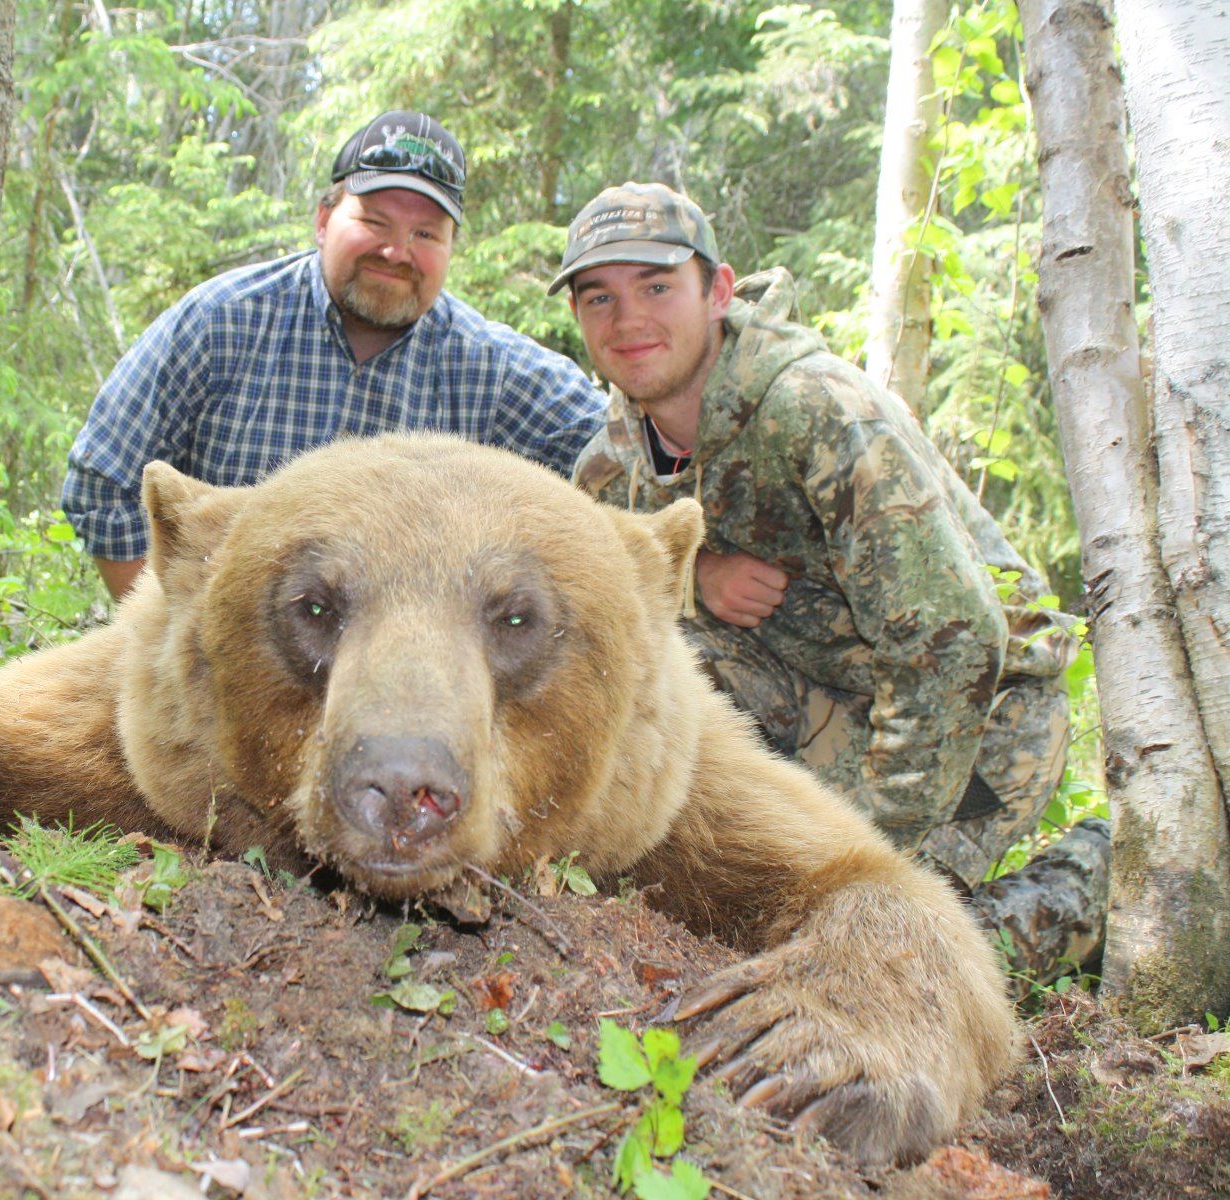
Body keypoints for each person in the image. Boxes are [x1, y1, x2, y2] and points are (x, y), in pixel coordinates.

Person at [553, 181, 1107, 985]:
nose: (628, 319)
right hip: (817, 693)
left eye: (657, 287)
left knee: (887, 955)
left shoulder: (818, 409)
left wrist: (855, 858)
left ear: (719, 291)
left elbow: (952, 646)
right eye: (599, 296)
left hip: (977, 717)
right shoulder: (610, 467)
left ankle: (1097, 874)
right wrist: (694, 576)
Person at [61, 111, 606, 600]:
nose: (396, 251)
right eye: (374, 222)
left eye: (425, 233)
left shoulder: (492, 370)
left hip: (415, 664)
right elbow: (103, 478)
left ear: (450, 249)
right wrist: (176, 631)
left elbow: (617, 447)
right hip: (233, 651)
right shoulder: (221, 322)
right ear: (324, 220)